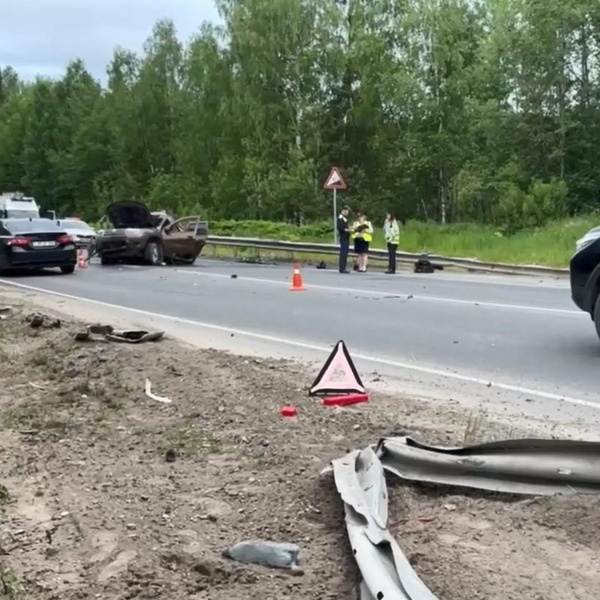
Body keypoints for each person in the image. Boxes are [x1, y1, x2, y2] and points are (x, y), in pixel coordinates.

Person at [337, 206, 352, 274]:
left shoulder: (345, 218)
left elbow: (346, 226)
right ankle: (342, 268)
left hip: (346, 237)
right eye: (347, 211)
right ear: (343, 210)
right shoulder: (340, 218)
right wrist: (347, 230)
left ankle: (344, 267)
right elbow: (340, 228)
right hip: (343, 237)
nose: (348, 213)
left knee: (345, 253)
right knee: (343, 253)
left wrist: (350, 228)